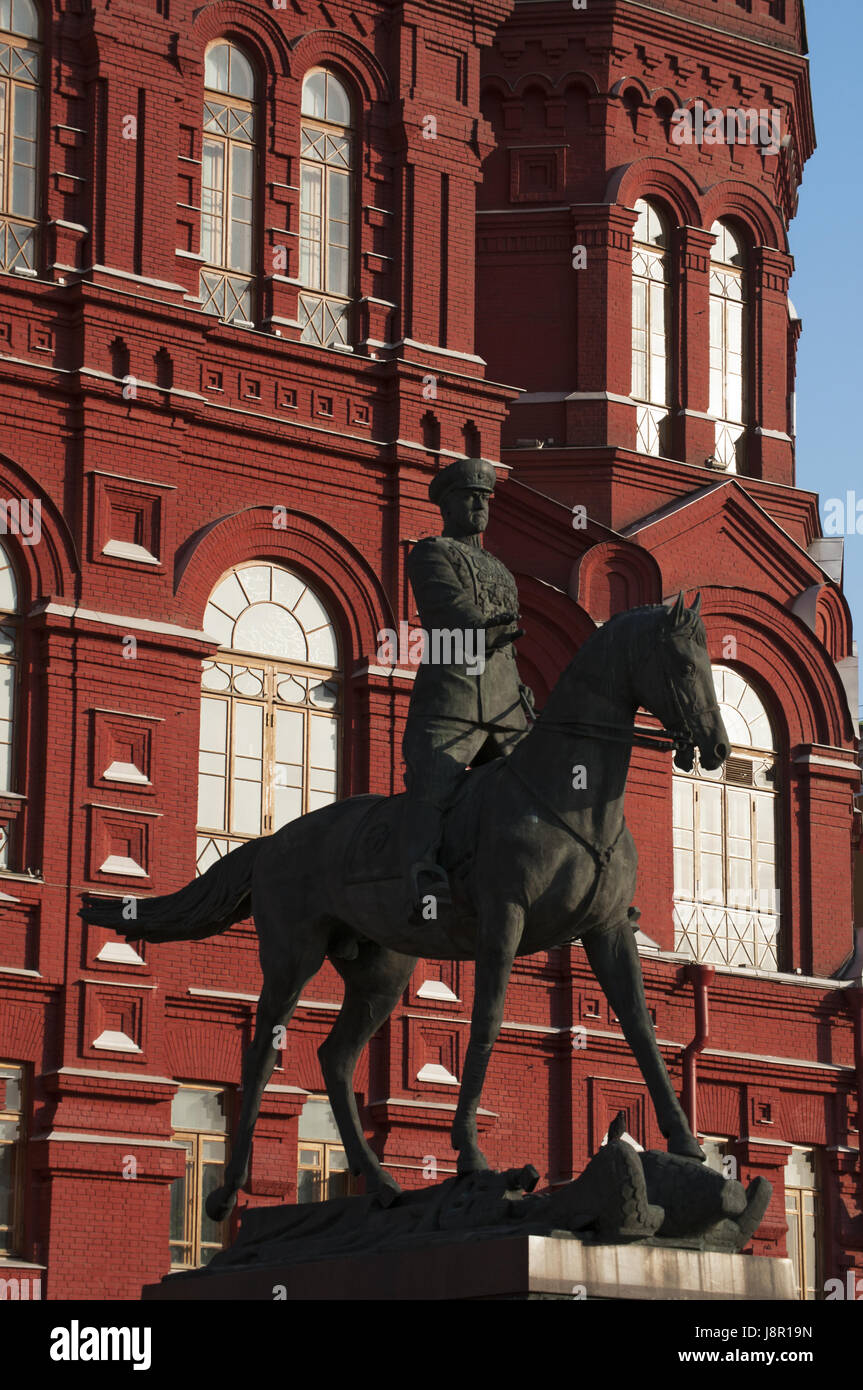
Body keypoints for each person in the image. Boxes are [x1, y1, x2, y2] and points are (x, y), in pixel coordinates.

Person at [401, 457, 534, 921]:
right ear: (448, 505)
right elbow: (448, 611)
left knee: (541, 789)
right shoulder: (430, 552)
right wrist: (486, 628)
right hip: (453, 700)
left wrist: (520, 692)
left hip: (504, 705)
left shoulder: (499, 568)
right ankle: (423, 877)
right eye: (470, 498)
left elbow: (508, 649)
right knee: (433, 789)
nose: (480, 505)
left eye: (485, 499)